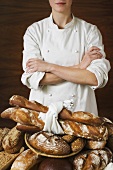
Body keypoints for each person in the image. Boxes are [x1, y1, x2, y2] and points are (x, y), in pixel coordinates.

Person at [21, 0, 110, 116]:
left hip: (80, 112)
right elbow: (33, 79)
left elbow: (94, 78)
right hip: (43, 113)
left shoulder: (90, 31)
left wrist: (49, 67)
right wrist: (79, 67)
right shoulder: (34, 31)